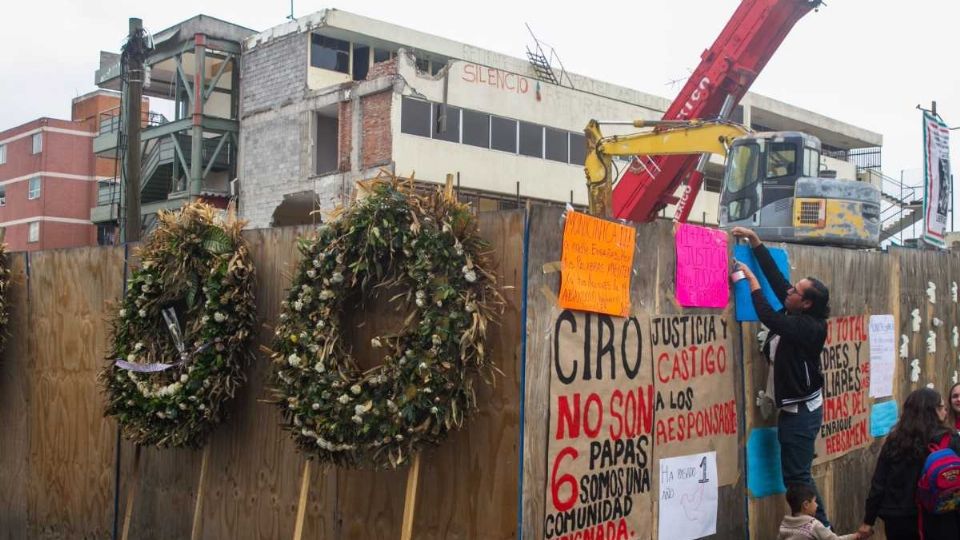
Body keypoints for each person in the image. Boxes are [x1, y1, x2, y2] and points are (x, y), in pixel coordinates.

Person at [730, 226, 831, 527]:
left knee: (798, 479)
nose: (788, 291)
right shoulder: (798, 309)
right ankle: (824, 532)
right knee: (798, 478)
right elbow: (778, 282)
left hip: (801, 414)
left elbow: (769, 316)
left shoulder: (807, 327)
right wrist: (756, 242)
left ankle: (824, 532)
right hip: (795, 411)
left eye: (795, 291)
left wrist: (750, 280)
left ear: (807, 303)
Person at [858, 388, 960, 539]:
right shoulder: (951, 440)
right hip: (940, 518)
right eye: (941, 407)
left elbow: (879, 484)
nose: (945, 411)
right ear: (934, 411)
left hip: (899, 519)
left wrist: (868, 521)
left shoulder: (895, 441)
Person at [779, 483, 860, 539]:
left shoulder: (784, 526)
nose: (817, 505)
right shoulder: (813, 525)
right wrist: (854, 536)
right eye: (814, 501)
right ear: (806, 505)